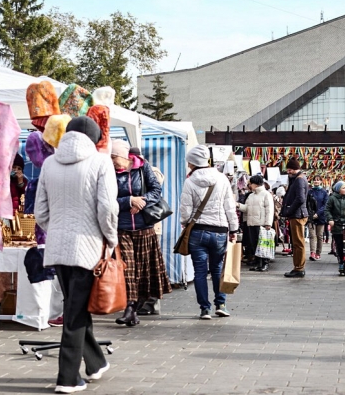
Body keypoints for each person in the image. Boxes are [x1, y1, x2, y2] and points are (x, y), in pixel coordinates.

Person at [35, 116, 118, 393]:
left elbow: (41, 212)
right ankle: (67, 378)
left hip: (57, 246)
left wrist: (56, 229)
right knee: (75, 313)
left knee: (75, 305)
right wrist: (110, 238)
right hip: (89, 246)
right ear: (95, 139)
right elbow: (107, 209)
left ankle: (95, 363)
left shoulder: (49, 163)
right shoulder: (100, 162)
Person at [111, 139, 171, 327]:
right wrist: (129, 200)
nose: (112, 162)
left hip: (145, 227)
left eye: (114, 157)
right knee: (127, 269)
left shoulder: (143, 168)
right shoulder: (109, 174)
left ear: (124, 156)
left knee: (143, 271)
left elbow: (156, 190)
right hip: (122, 228)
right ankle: (129, 307)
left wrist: (142, 201)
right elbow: (107, 198)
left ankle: (136, 308)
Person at [180, 144, 238, 319]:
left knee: (199, 271)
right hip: (220, 231)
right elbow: (230, 207)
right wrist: (234, 228)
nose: (188, 165)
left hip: (198, 231)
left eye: (189, 162)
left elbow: (185, 209)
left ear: (193, 162)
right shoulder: (222, 179)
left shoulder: (189, 181)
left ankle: (205, 308)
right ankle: (221, 303)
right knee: (217, 269)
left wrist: (185, 222)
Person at [237, 175, 274, 272]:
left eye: (251, 183)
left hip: (261, 224)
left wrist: (268, 223)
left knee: (262, 244)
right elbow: (246, 208)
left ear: (255, 184)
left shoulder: (266, 194)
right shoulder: (251, 195)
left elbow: (269, 210)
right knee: (254, 244)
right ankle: (258, 262)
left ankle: (264, 263)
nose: (249, 185)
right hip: (251, 223)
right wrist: (238, 205)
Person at [281, 160, 309, 278]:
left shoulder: (299, 180)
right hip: (298, 214)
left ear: (295, 169)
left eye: (290, 169)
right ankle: (298, 267)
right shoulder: (298, 179)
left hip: (297, 215)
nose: (288, 172)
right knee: (297, 242)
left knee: (298, 243)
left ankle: (299, 268)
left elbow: (300, 198)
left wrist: (289, 210)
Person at [307, 175, 328, 261]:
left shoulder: (324, 192)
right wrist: (310, 214)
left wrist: (318, 213)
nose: (316, 181)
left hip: (321, 217)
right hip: (311, 217)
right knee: (312, 235)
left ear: (321, 182)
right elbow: (307, 203)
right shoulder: (310, 192)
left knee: (319, 236)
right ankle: (312, 252)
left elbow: (326, 204)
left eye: (318, 180)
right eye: (315, 180)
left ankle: (318, 252)